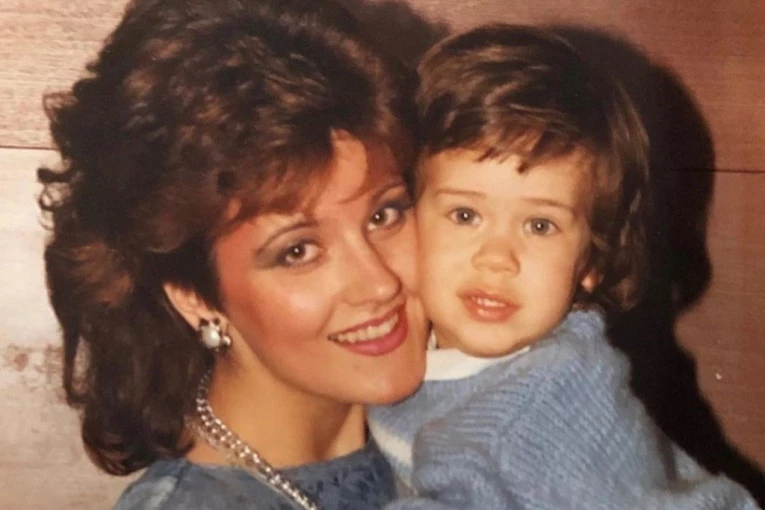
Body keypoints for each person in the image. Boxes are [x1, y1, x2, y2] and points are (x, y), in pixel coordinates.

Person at [38, 0, 430, 508]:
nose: (378, 282)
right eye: (298, 251)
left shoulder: (452, 435)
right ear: (194, 296)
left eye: (385, 215)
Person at [368, 24, 760, 509]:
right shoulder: (409, 348)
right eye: (465, 215)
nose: (497, 259)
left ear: (591, 261)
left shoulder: (551, 398)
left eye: (540, 226)